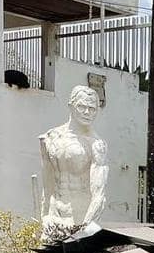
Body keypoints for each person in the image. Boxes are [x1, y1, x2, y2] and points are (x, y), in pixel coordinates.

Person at [39, 86, 109, 242]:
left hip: (80, 221)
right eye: (82, 106)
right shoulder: (50, 138)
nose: (87, 112)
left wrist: (84, 230)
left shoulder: (97, 145)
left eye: (92, 108)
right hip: (54, 217)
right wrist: (44, 217)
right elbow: (47, 184)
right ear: (71, 106)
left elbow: (99, 194)